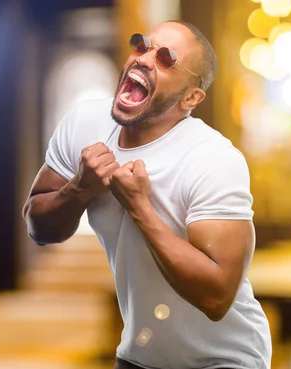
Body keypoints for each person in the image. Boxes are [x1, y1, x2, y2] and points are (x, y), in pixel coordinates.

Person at [22, 20, 272, 369]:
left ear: (191, 97)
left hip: (223, 359)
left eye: (167, 58)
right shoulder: (84, 123)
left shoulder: (212, 158)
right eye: (142, 46)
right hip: (141, 354)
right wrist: (79, 188)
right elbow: (40, 228)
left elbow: (216, 297)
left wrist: (141, 209)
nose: (144, 58)